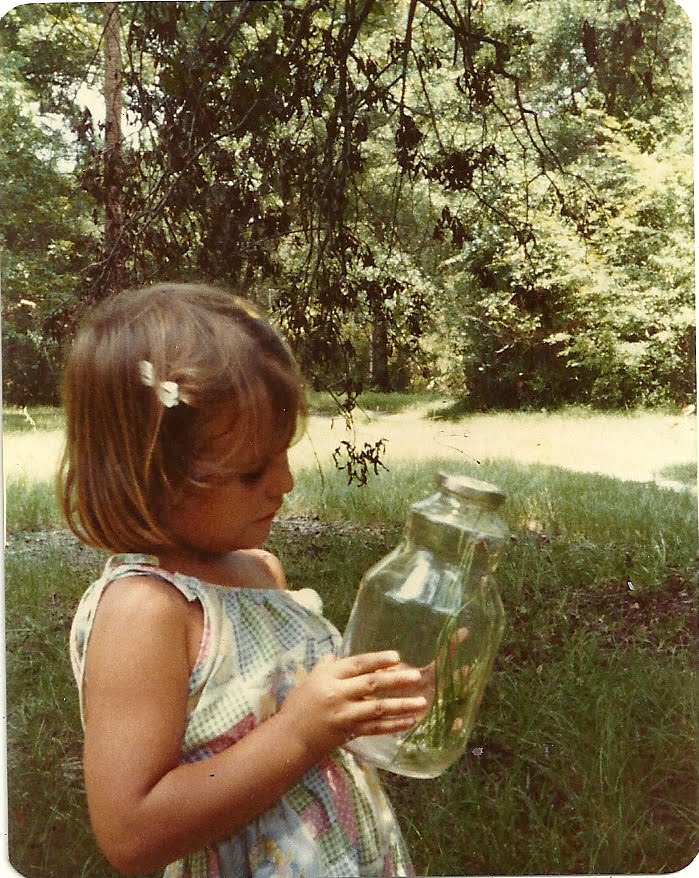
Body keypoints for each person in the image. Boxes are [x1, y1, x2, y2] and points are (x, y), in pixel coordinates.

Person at [61, 283, 427, 878]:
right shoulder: (144, 609)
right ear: (150, 474)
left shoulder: (260, 572)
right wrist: (301, 732)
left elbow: (311, 724)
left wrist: (370, 702)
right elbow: (130, 833)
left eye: (282, 454)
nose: (284, 483)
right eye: (252, 471)